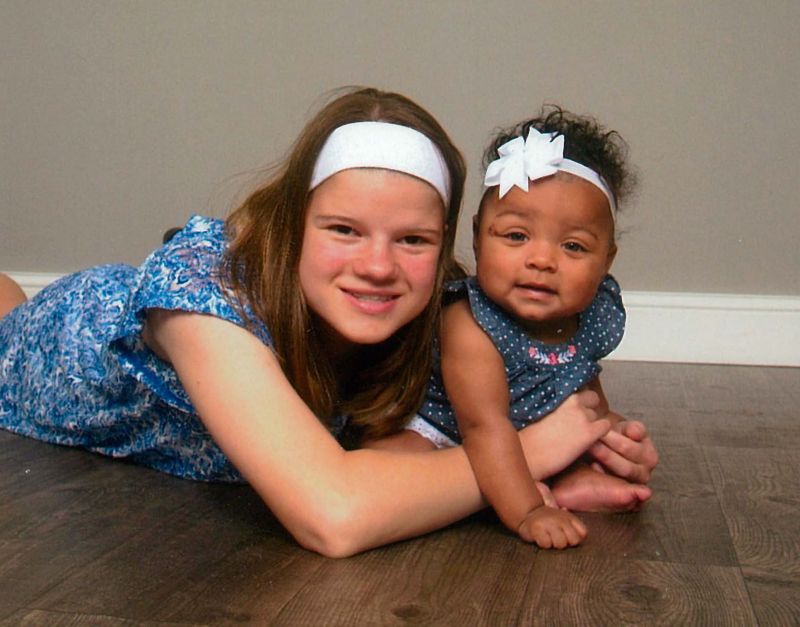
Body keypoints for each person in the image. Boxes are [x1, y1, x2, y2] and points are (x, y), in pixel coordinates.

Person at [0, 89, 657, 557]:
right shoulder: (201, 294)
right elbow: (335, 514)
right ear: (296, 225)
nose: (378, 266)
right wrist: (534, 453)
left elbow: (504, 406)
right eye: (343, 229)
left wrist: (589, 447)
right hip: (54, 345)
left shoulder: (449, 308)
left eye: (413, 239)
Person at [368, 107, 655, 549]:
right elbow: (484, 428)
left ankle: (565, 483)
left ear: (606, 261)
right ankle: (512, 494)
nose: (541, 260)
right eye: (517, 236)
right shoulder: (469, 321)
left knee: (604, 434)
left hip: (526, 433)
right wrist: (529, 512)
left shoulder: (592, 313)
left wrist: (606, 434)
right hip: (451, 435)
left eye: (573, 246)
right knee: (388, 468)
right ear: (478, 237)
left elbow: (582, 382)